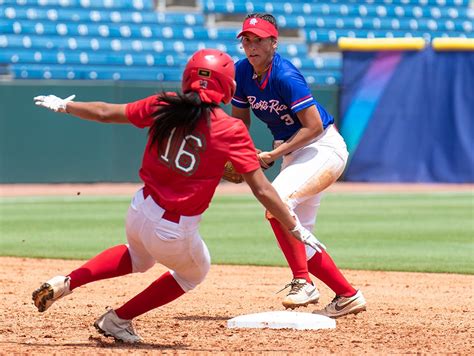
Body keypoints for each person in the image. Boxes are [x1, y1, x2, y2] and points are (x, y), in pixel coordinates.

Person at [31, 48, 326, 343]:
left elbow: (107, 112)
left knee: (138, 257)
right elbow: (261, 188)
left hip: (139, 209)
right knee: (193, 273)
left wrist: (65, 106)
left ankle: (68, 282)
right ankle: (117, 319)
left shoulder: (164, 104)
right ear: (228, 87)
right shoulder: (230, 129)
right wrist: (294, 226)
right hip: (172, 229)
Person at [231, 13, 366, 318]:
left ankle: (302, 282)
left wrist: (273, 156)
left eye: (259, 40)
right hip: (292, 153)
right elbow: (239, 120)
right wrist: (246, 151)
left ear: (273, 42)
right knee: (296, 231)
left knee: (276, 205)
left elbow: (314, 126)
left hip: (322, 148)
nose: (252, 47)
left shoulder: (285, 76)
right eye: (247, 41)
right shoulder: (241, 72)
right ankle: (347, 295)